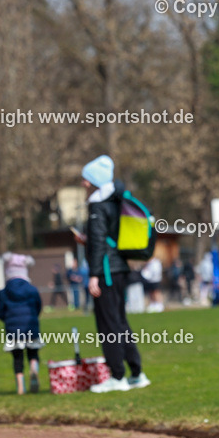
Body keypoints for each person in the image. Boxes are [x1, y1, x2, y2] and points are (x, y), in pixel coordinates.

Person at [78, 155, 150, 392]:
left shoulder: (98, 204)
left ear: (95, 181)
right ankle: (136, 373)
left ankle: (117, 377)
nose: (84, 183)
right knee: (120, 321)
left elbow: (100, 242)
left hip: (106, 272)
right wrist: (88, 240)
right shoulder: (117, 201)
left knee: (108, 325)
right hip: (119, 268)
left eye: (87, 179)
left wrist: (94, 275)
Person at [0, 253, 43, 394]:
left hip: (13, 329)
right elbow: (38, 306)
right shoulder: (32, 289)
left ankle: (21, 386)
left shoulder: (4, 292)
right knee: (33, 352)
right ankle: (33, 366)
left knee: (17, 357)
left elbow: (0, 311)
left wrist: (6, 319)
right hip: (30, 326)